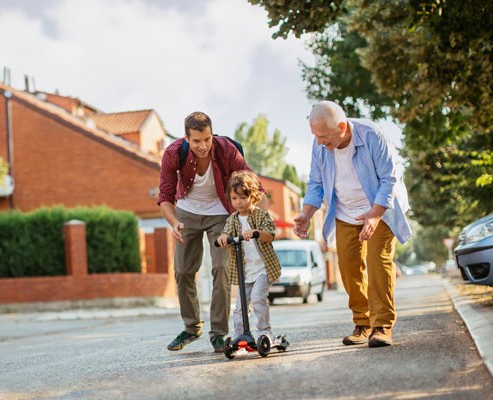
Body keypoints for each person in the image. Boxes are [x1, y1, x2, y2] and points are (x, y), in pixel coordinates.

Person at [294, 100, 411, 348]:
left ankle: (381, 326)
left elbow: (389, 179)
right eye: (315, 136)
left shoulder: (372, 136)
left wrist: (375, 214)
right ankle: (363, 322)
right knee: (347, 267)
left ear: (343, 127)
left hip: (378, 207)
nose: (319, 142)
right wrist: (306, 213)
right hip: (345, 211)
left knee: (378, 262)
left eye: (323, 136)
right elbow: (315, 183)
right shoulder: (320, 146)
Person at [158, 111, 267, 353]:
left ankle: (219, 333)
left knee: (220, 268)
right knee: (183, 271)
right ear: (186, 138)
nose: (203, 146)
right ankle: (191, 327)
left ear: (211, 134)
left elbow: (255, 184)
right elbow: (165, 197)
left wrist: (261, 224)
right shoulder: (173, 153)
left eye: (206, 139)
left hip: (220, 213)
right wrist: (174, 222)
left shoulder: (226, 149)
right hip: (186, 212)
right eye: (196, 141)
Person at [217, 171, 280, 340]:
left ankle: (265, 332)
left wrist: (256, 232)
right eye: (234, 198)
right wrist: (223, 238)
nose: (238, 202)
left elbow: (270, 234)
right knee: (240, 307)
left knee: (258, 298)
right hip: (245, 272)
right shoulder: (232, 219)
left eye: (242, 198)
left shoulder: (261, 215)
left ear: (252, 196)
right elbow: (226, 233)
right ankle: (240, 336)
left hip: (263, 269)